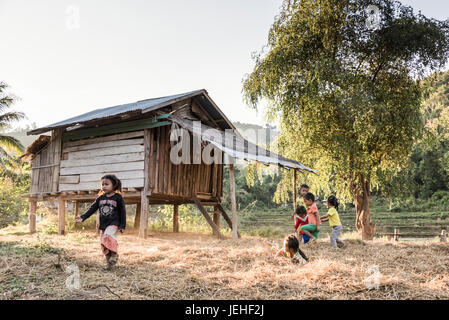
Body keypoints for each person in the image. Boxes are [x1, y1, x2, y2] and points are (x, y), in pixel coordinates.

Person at [75, 174, 126, 269]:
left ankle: (114, 254)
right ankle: (109, 265)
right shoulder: (100, 198)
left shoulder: (118, 197)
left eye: (106, 184)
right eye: (102, 184)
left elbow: (123, 212)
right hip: (103, 225)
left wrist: (122, 225)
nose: (104, 186)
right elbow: (92, 209)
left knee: (108, 237)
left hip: (114, 224)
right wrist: (83, 217)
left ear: (114, 185)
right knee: (104, 244)